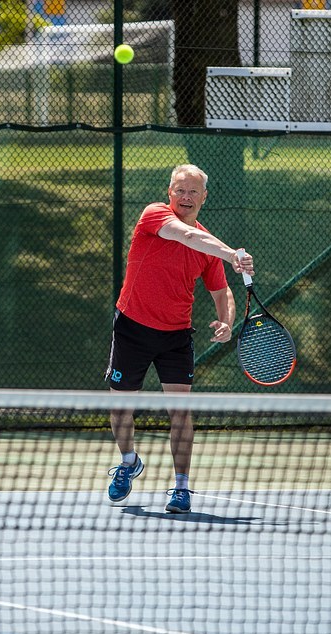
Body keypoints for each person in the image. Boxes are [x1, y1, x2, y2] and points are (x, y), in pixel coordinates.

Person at [104, 164, 254, 514]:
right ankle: (128, 461)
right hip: (132, 328)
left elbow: (222, 292)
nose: (186, 197)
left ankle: (181, 486)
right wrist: (232, 254)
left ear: (204, 197)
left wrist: (226, 321)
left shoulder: (208, 244)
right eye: (180, 190)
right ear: (169, 193)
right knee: (120, 408)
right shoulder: (154, 215)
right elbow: (186, 236)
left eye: (193, 192)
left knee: (181, 411)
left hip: (175, 336)